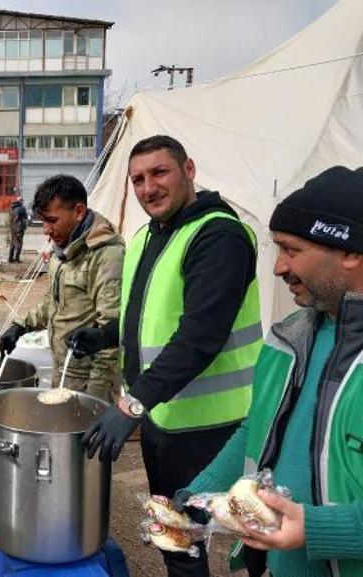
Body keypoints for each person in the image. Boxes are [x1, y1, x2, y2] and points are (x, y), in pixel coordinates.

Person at [68, 135, 261, 577]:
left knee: (234, 536)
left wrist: (131, 403)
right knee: (173, 534)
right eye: (138, 179)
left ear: (188, 169)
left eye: (159, 173)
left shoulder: (219, 236)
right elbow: (145, 316)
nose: (147, 187)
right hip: (165, 419)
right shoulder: (148, 235)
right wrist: (102, 336)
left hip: (211, 426)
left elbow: (199, 336)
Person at [172, 166, 363, 577]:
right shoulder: (289, 339)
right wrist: (193, 501)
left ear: (350, 251)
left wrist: (316, 529)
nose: (278, 268)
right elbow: (254, 433)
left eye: (292, 250)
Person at [0, 174, 124, 402]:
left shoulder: (106, 255)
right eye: (43, 221)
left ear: (78, 212)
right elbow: (52, 301)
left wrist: (94, 401)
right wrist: (20, 326)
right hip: (64, 373)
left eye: (52, 220)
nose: (46, 230)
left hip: (91, 383)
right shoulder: (63, 250)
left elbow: (110, 332)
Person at [8, 196, 28, 263]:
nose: (23, 202)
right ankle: (17, 259)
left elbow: (11, 219)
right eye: (22, 201)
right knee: (19, 243)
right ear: (21, 201)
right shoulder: (22, 208)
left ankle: (10, 259)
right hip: (19, 228)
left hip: (12, 228)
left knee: (12, 243)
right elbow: (26, 217)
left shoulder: (11, 208)